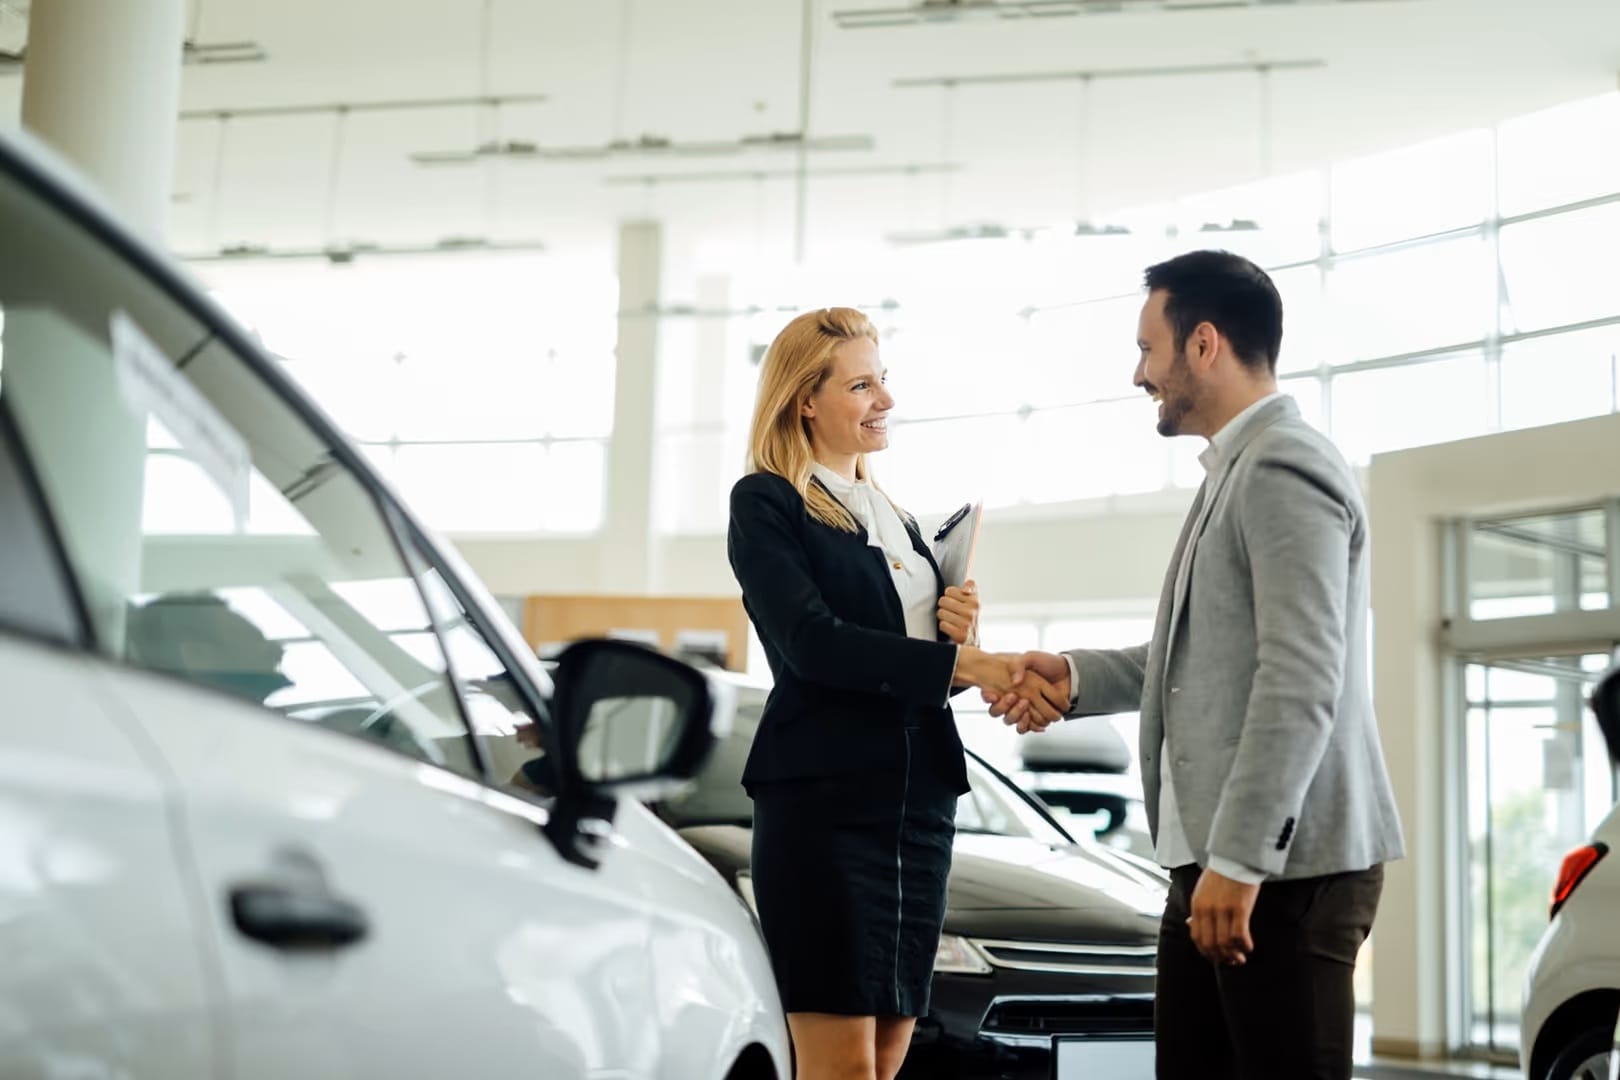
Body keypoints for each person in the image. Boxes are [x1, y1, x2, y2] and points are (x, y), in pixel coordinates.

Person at [988, 251, 1405, 1080]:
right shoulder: (1236, 471)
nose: (1139, 373)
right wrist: (1071, 676)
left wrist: (1242, 861)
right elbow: (1197, 661)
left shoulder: (1285, 467)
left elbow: (1300, 677)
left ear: (1203, 344)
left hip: (1282, 874)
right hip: (1214, 866)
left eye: (1149, 349)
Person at [728, 307, 1064, 1080]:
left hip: (918, 811)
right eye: (861, 384)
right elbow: (811, 644)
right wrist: (967, 669)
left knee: (886, 1062)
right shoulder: (768, 502)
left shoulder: (905, 524)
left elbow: (917, 660)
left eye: (884, 380)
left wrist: (958, 635)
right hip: (827, 809)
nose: (884, 399)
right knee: (841, 1068)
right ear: (805, 401)